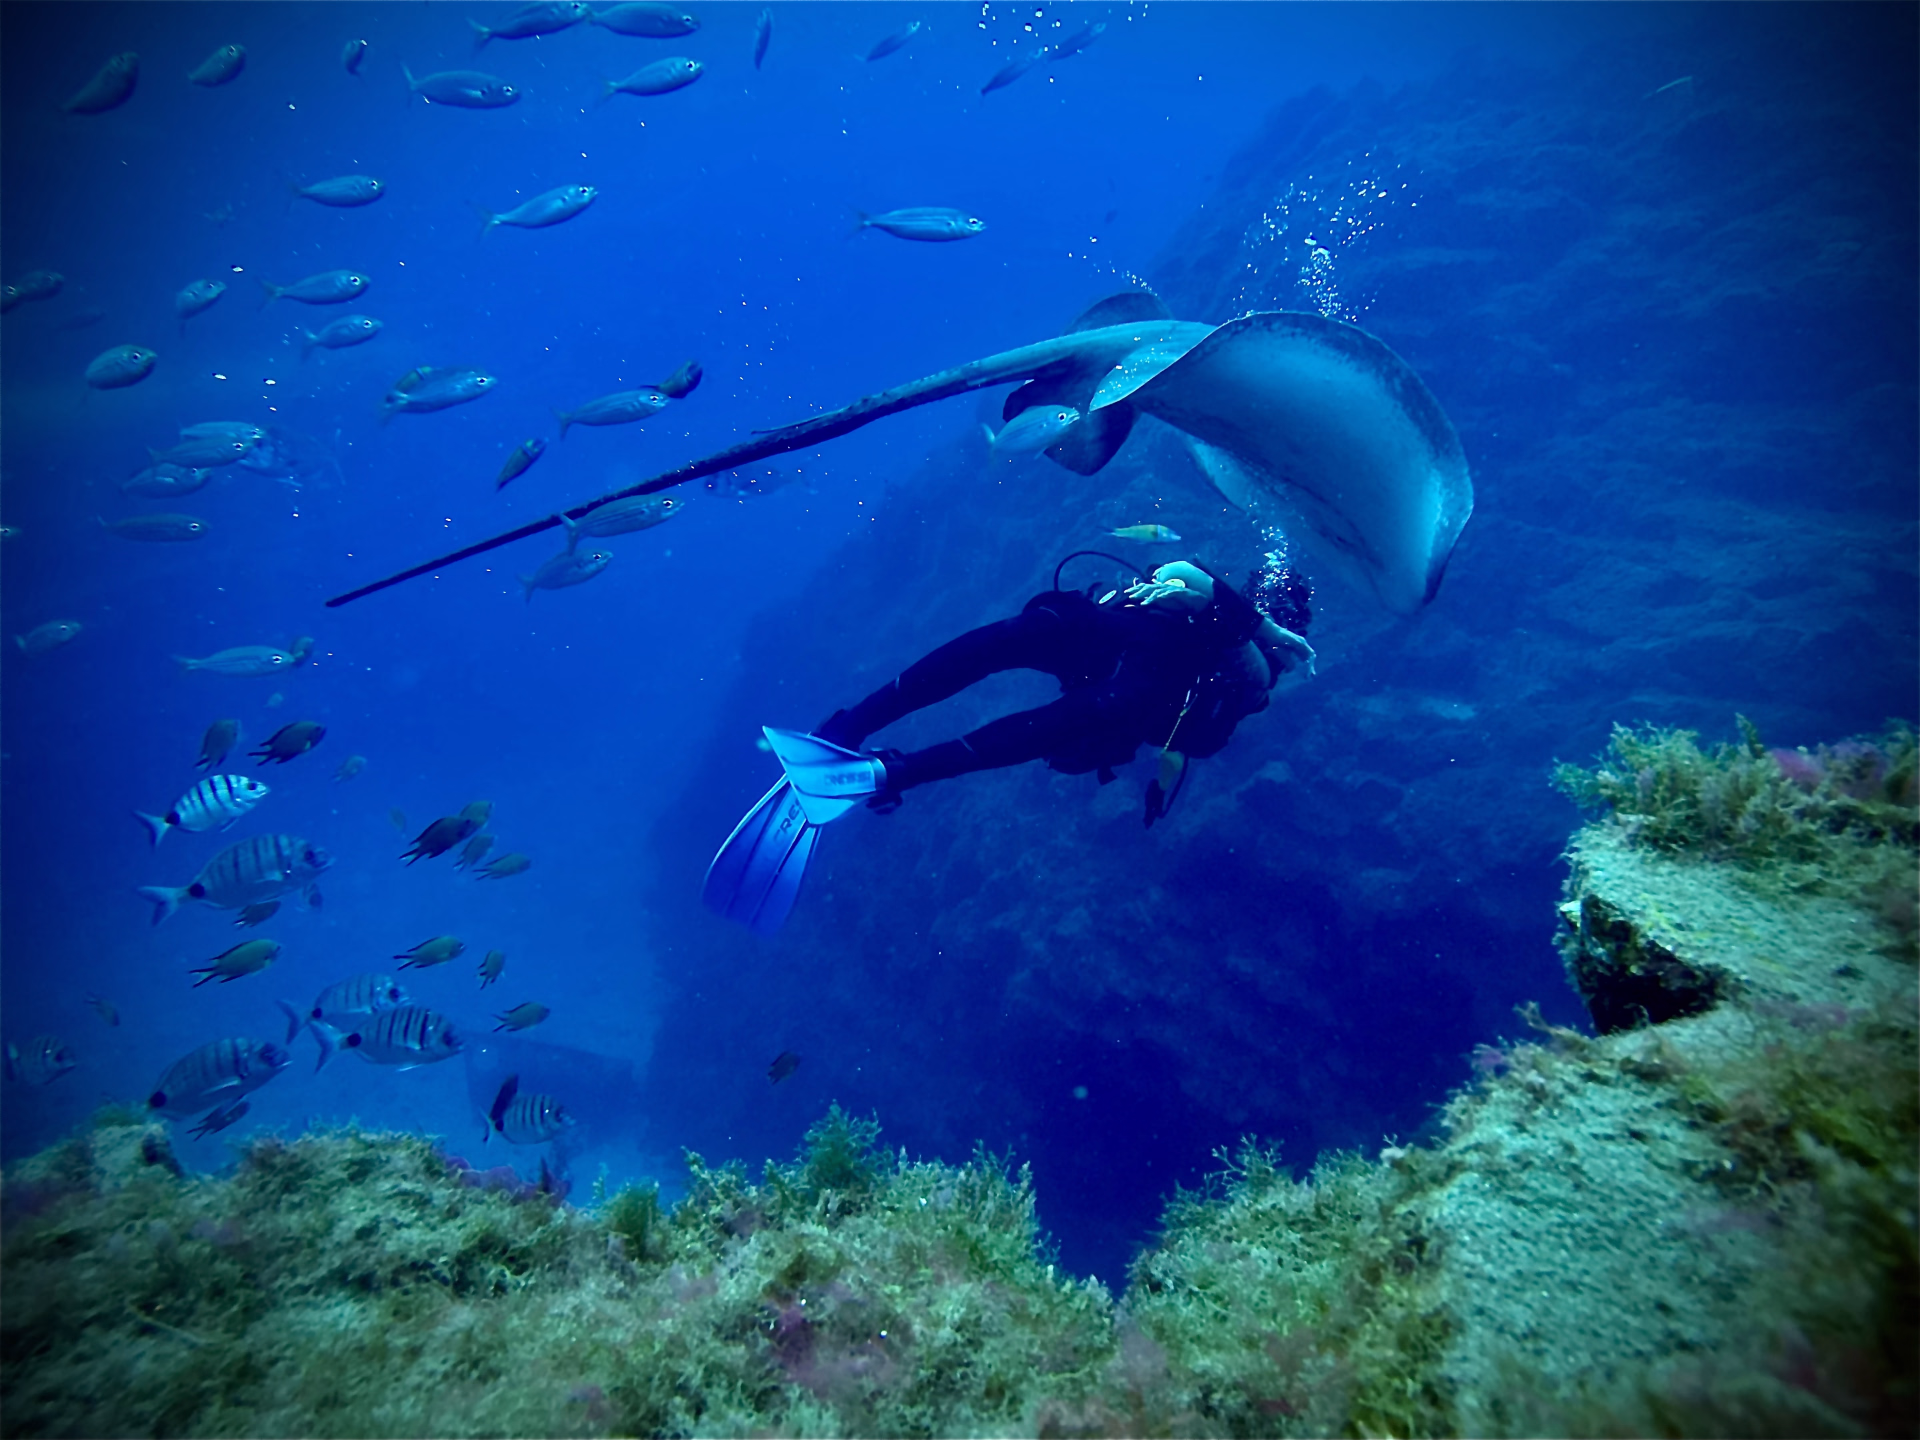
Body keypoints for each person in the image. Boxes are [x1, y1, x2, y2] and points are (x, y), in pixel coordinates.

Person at [704, 558, 1315, 935]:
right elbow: (1194, 579)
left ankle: (857, 735)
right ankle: (877, 761)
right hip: (1126, 670)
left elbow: (1193, 576)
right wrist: (1259, 630)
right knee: (1041, 694)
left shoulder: (1243, 646)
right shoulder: (1251, 647)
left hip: (1119, 658)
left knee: (1011, 652)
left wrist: (1246, 628)